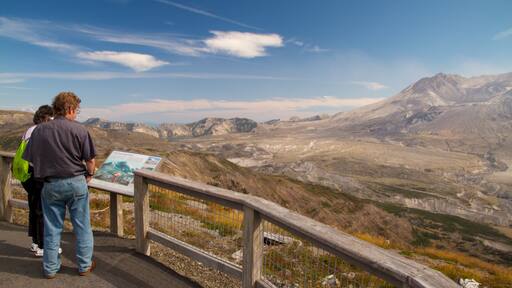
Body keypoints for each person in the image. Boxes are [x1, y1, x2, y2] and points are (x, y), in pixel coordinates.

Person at [23, 92, 97, 279]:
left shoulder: (40, 130)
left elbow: (31, 161)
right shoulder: (80, 130)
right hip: (76, 183)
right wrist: (89, 175)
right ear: (70, 108)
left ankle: (50, 268)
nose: (76, 114)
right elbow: (90, 160)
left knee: (52, 227)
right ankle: (84, 266)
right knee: (82, 227)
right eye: (76, 110)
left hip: (50, 185)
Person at [15, 105, 55, 256]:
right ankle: (42, 246)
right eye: (51, 118)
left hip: (27, 173)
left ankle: (35, 242)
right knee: (41, 210)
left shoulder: (29, 130)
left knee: (34, 208)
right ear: (45, 118)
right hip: (37, 173)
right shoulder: (40, 131)